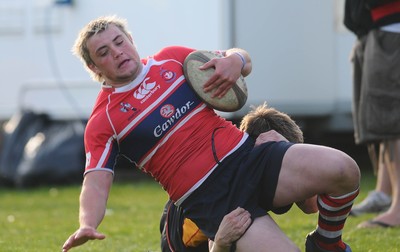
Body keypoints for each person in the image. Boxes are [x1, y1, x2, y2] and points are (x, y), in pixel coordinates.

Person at [62, 15, 360, 252]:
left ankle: (326, 244)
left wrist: (237, 61)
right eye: (104, 52)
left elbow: (239, 58)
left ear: (131, 40)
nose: (117, 52)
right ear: (93, 67)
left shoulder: (172, 60)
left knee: (345, 170)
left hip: (246, 157)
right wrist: (87, 222)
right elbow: (96, 183)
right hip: (211, 199)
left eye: (119, 41)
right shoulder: (104, 120)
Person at [160, 103, 318, 252]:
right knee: (237, 230)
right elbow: (217, 242)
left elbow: (311, 206)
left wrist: (296, 160)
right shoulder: (226, 184)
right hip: (183, 241)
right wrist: (221, 243)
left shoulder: (259, 169)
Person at [344, 0, 400, 227]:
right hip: (379, 26)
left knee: (392, 120)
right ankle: (385, 194)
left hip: (391, 27)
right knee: (384, 118)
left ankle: (397, 209)